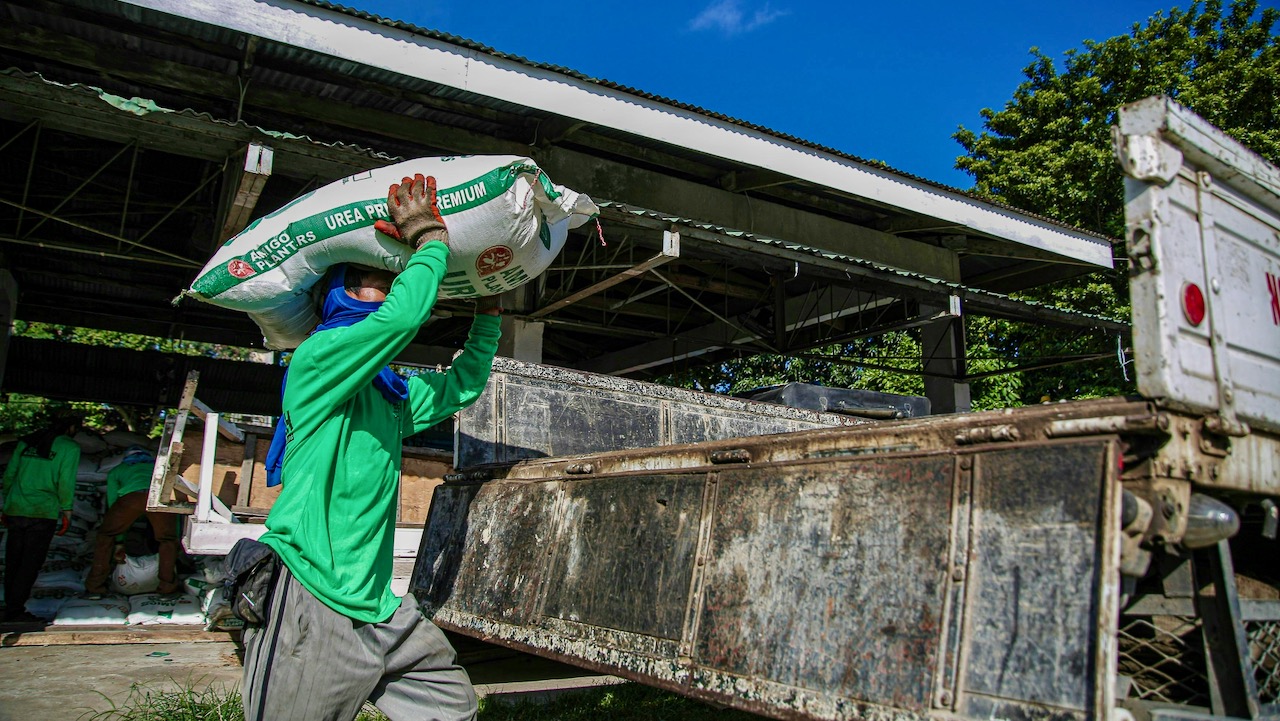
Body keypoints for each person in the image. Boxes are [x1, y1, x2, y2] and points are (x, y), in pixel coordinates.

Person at [240, 173, 502, 721]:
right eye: (371, 280)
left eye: (391, 281)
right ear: (335, 293)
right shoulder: (318, 358)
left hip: (382, 606)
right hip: (312, 597)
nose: (386, 291)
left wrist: (487, 317)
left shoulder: (387, 394)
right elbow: (401, 318)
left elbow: (460, 387)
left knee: (452, 707)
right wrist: (430, 239)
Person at [2, 413, 81, 623]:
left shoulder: (27, 442)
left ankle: (8, 605)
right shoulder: (70, 447)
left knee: (13, 561)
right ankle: (14, 609)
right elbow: (65, 482)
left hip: (16, 508)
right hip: (42, 512)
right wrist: (67, 511)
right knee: (29, 563)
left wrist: (6, 504)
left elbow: (10, 474)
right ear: (72, 428)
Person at [83, 444, 179, 598]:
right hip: (157, 499)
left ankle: (95, 588)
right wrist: (175, 535)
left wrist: (119, 540)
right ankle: (167, 588)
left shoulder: (118, 470)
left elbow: (112, 501)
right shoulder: (158, 469)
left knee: (106, 536)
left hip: (130, 499)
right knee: (167, 541)